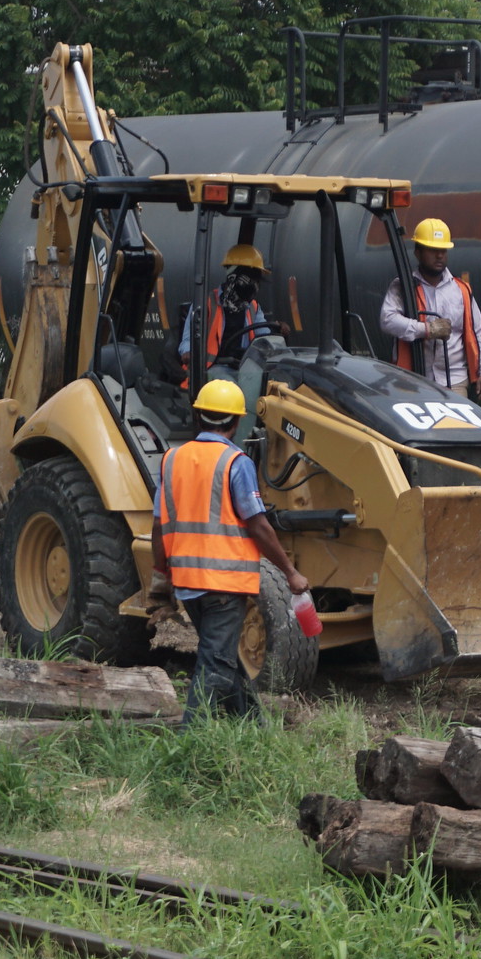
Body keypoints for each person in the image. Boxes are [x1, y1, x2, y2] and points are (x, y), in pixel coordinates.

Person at [148, 380, 309, 724]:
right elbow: (257, 525)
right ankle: (190, 744)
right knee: (216, 664)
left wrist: (161, 576)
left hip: (189, 584)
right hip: (224, 584)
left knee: (221, 656)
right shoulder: (235, 462)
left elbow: (159, 525)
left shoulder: (172, 460)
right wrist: (290, 573)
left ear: (198, 416)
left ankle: (256, 728)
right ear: (236, 423)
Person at [380, 218, 481, 398]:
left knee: (456, 426)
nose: (439, 256)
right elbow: (387, 320)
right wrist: (426, 329)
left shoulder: (461, 290)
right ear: (418, 252)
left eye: (442, 250)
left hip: (454, 381)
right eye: (433, 250)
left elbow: (478, 333)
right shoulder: (403, 287)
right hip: (412, 380)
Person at [177, 244, 277, 384]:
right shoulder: (206, 303)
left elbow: (264, 336)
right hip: (212, 367)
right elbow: (189, 338)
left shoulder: (253, 307)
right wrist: (188, 353)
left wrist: (276, 334)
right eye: (249, 276)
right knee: (231, 386)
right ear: (233, 275)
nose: (253, 283)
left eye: (256, 278)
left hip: (244, 367)